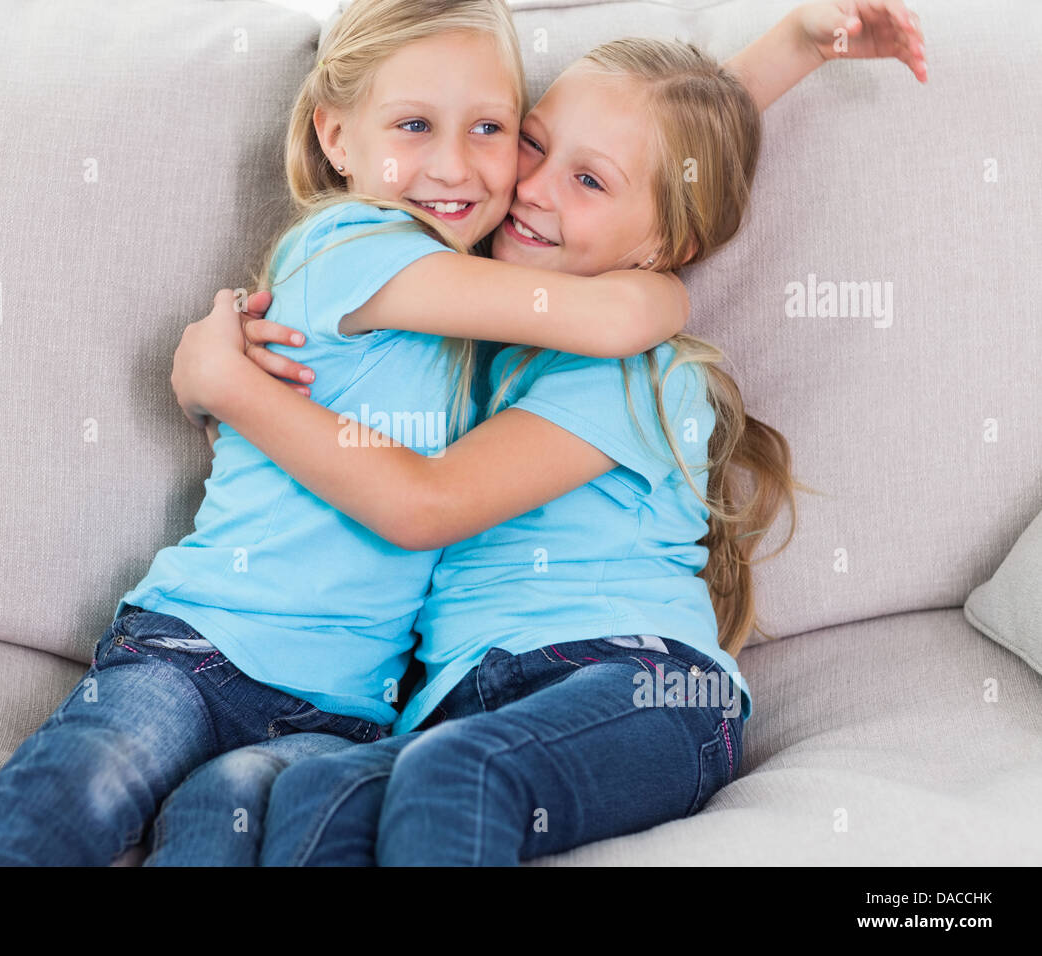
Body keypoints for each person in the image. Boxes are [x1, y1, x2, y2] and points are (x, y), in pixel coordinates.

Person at [150, 1, 927, 865]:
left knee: (455, 771)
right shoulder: (458, 323)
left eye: (584, 181)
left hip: (641, 685)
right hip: (463, 701)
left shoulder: (635, 369)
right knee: (273, 792)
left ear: (666, 240)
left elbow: (426, 504)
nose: (531, 186)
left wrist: (236, 392)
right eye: (530, 141)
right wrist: (792, 44)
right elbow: (650, 147)